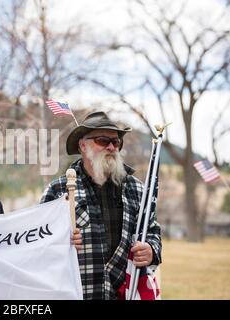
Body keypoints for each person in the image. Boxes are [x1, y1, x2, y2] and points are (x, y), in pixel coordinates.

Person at [40, 111, 162, 300]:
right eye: (103, 141)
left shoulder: (137, 189)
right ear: (83, 145)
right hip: (77, 294)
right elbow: (40, 244)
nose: (112, 147)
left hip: (125, 294)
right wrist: (61, 241)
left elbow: (152, 231)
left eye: (116, 142)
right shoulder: (58, 190)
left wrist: (151, 250)